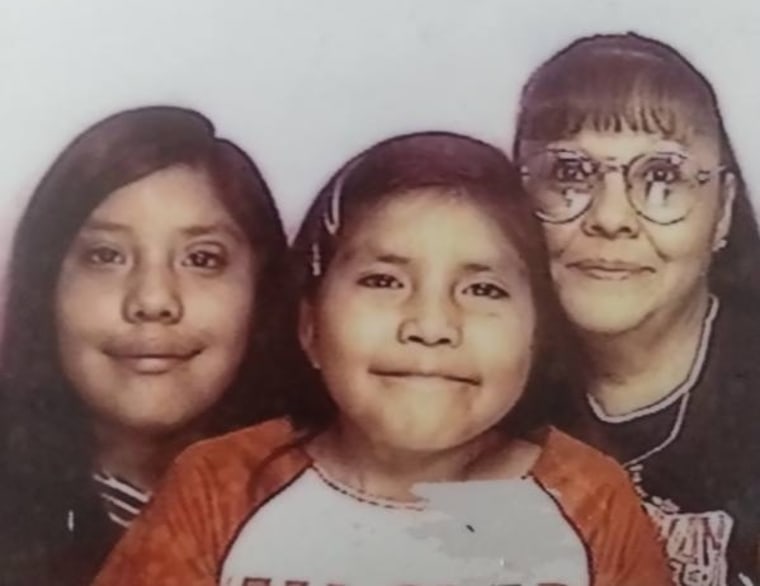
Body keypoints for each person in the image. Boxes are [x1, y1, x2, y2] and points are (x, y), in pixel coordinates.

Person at [92, 131, 671, 586]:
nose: (431, 326)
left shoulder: (593, 499)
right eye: (382, 279)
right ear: (310, 326)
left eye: (484, 289)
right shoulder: (218, 486)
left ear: (538, 337)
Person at [0, 106, 298, 585]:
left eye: (202, 258)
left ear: (263, 293)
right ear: (45, 287)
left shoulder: (327, 502)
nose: (154, 300)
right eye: (106, 255)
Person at [514, 32, 760, 586]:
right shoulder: (479, 382)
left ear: (721, 212)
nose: (610, 217)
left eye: (663, 178)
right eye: (570, 173)